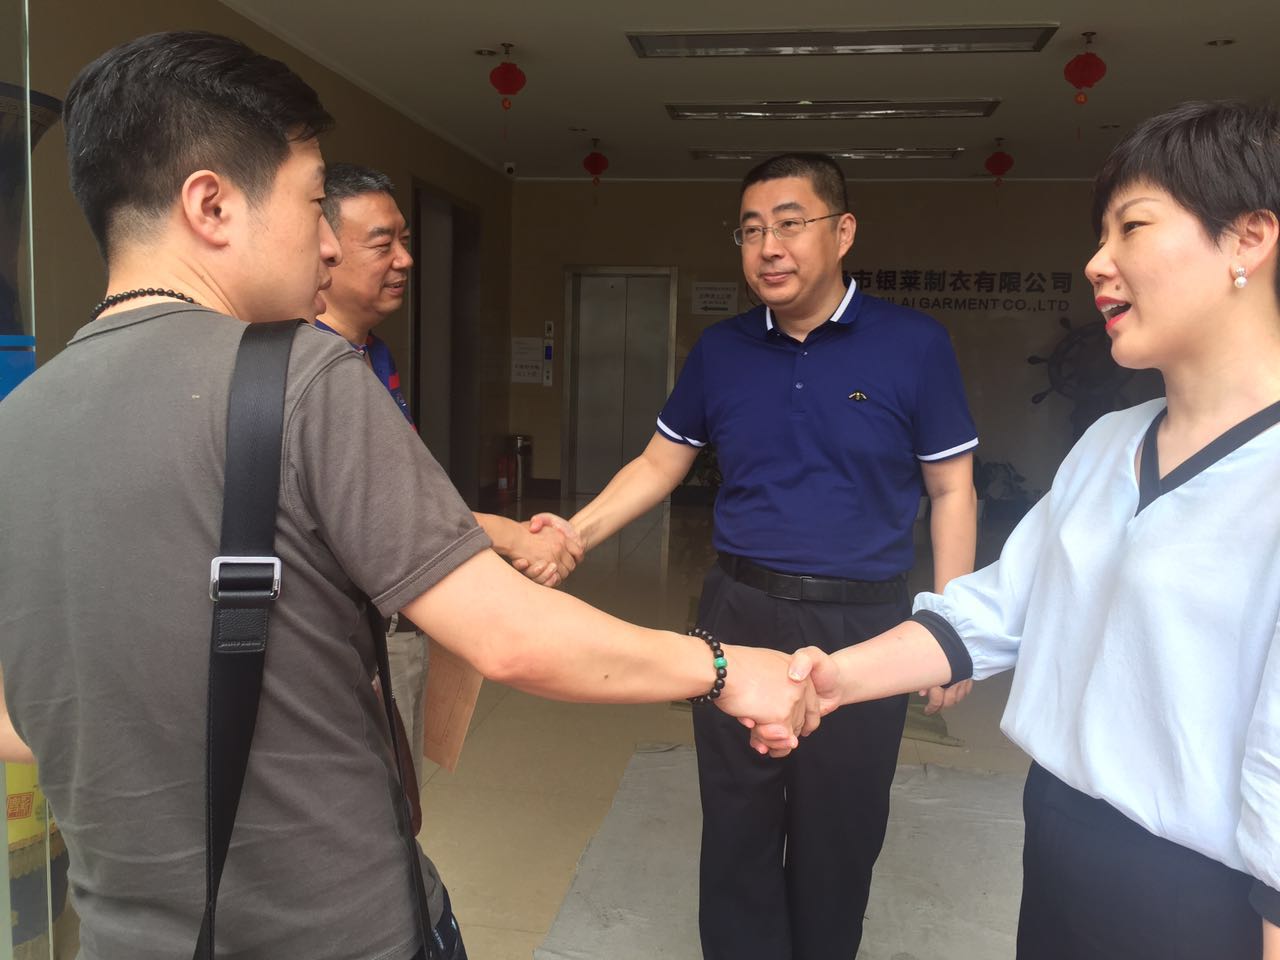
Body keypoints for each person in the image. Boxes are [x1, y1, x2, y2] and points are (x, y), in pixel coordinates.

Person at [0, 31, 817, 960]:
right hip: (341, 929)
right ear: (211, 204)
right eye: (314, 203)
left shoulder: (19, 421)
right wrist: (724, 669)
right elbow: (509, 636)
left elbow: (19, 718)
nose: (326, 242)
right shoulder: (299, 376)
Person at [770, 100, 1280, 960]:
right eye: (1099, 235)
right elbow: (999, 610)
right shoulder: (1110, 443)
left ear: (1248, 239)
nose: (1097, 263)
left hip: (1203, 902)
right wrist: (833, 679)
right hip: (1057, 846)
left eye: (1132, 227)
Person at [532, 152, 979, 959]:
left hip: (866, 624)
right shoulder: (721, 350)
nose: (768, 247)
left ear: (843, 232)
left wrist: (951, 629)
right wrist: (577, 533)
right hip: (738, 612)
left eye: (789, 224)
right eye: (750, 230)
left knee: (841, 831)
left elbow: (952, 489)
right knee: (737, 823)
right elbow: (659, 463)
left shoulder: (915, 345)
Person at [314, 161, 582, 785]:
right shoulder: (314, 374)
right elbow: (382, 515)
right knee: (372, 803)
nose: (405, 259)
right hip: (346, 640)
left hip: (396, 617)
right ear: (322, 250)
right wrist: (510, 535)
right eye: (382, 243)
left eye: (405, 240)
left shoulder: (372, 353)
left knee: (400, 798)